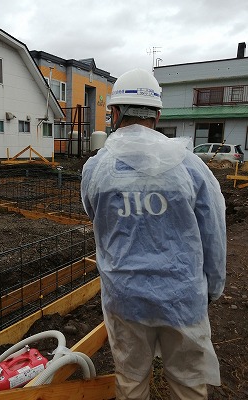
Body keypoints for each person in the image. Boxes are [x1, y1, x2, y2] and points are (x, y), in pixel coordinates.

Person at [81, 68, 226, 400]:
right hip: (183, 297)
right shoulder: (191, 166)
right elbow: (213, 234)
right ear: (158, 115)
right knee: (188, 381)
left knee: (131, 380)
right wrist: (213, 288)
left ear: (115, 113)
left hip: (125, 296)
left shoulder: (96, 168)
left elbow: (96, 218)